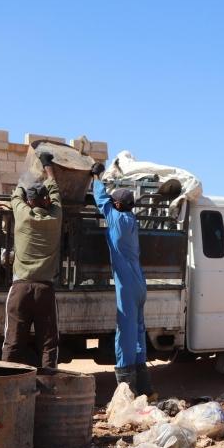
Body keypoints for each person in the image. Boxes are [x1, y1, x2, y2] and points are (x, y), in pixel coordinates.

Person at [90, 162, 155, 398]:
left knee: (125, 335)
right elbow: (109, 201)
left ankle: (127, 389)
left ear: (118, 205)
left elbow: (100, 199)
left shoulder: (115, 218)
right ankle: (145, 387)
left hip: (127, 286)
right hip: (139, 283)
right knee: (138, 334)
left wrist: (96, 176)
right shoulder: (131, 220)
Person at [2, 151, 63, 369]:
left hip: (20, 289)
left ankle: (6, 383)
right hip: (45, 290)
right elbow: (55, 189)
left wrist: (28, 173)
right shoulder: (55, 217)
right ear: (46, 200)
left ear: (29, 201)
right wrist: (47, 165)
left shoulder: (22, 215)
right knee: (48, 343)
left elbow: (16, 194)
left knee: (13, 342)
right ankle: (48, 386)